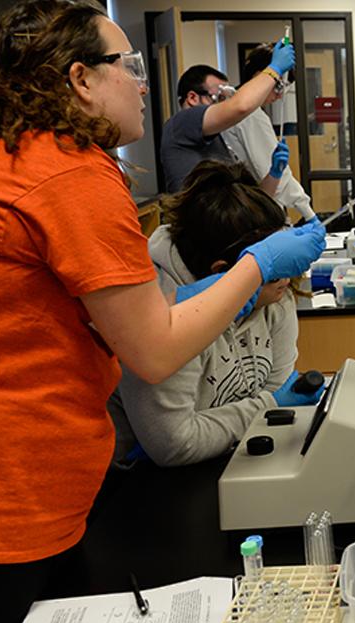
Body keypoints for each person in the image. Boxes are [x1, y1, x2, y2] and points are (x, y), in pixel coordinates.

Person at [0, 0, 325, 623]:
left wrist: (196, 295)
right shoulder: (68, 170)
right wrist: (258, 265)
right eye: (125, 65)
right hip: (2, 499)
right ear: (78, 80)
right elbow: (155, 350)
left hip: (23, 489)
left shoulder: (14, 157)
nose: (139, 81)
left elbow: (86, 314)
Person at [109, 160, 324, 467]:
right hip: (141, 484)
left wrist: (231, 422)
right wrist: (268, 406)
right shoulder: (164, 320)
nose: (286, 283)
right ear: (223, 273)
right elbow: (175, 444)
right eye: (274, 271)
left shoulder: (274, 296)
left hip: (228, 463)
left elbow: (276, 396)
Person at [160, 48, 294, 193]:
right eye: (220, 98)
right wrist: (275, 69)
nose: (224, 105)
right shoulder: (181, 123)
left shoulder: (217, 139)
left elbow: (252, 201)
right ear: (192, 98)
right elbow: (240, 107)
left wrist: (274, 174)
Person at [222, 43, 316, 223]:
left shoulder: (230, 107)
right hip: (253, 211)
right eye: (279, 86)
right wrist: (308, 213)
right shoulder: (251, 116)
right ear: (261, 76)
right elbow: (277, 177)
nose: (280, 95)